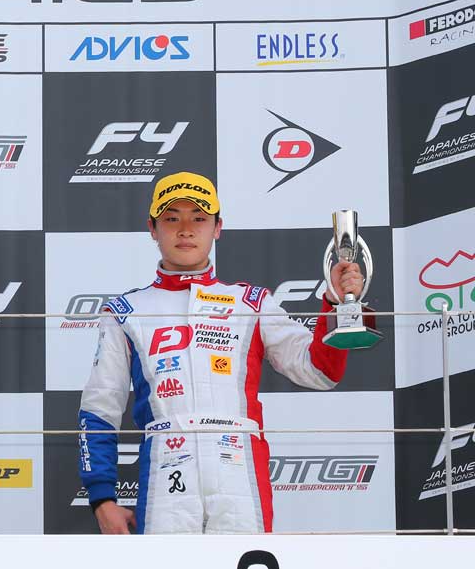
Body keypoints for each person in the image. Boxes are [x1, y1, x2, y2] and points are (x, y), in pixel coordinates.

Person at [77, 171, 371, 534]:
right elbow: (99, 408)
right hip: (166, 468)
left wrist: (335, 305)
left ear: (218, 227)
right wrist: (102, 497)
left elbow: (320, 371)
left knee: (245, 559)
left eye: (199, 218)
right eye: (172, 218)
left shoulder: (251, 303)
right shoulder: (126, 311)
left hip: (240, 469)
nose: (186, 230)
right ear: (153, 228)